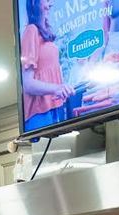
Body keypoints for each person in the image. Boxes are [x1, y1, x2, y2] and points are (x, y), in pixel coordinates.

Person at [21, 0, 74, 132]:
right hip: (40, 114)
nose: (51, 4)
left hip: (55, 108)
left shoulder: (44, 35)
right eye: (47, 0)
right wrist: (57, 89)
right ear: (35, 4)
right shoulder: (31, 30)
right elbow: (27, 84)